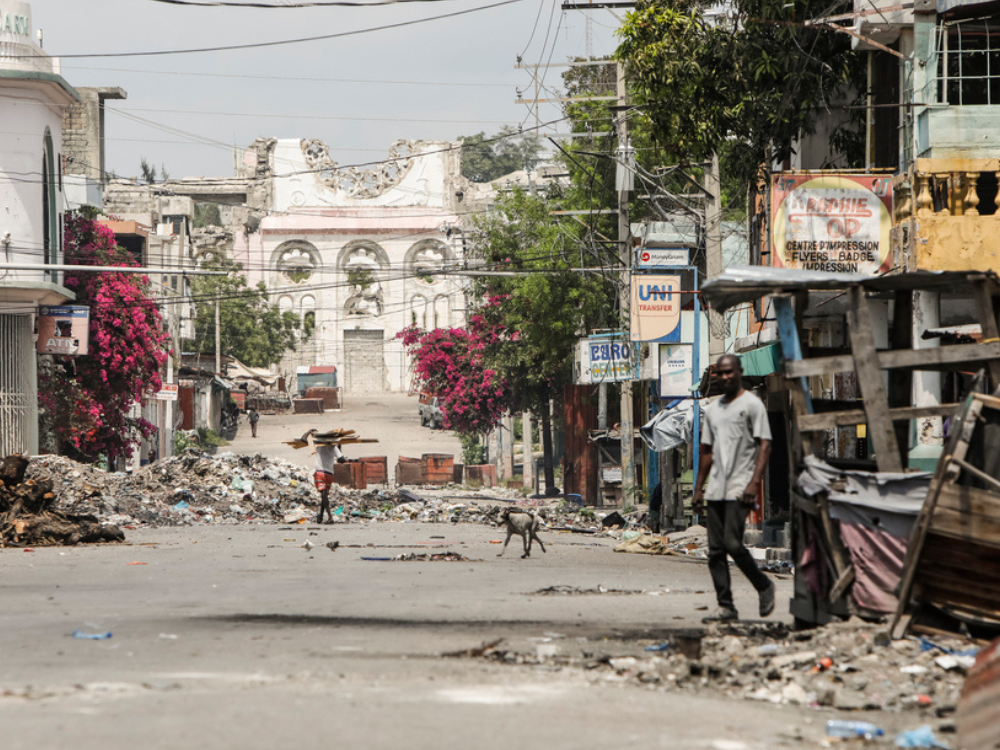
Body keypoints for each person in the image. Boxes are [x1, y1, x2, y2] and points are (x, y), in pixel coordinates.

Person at [693, 354, 776, 622]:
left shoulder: (752, 405)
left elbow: (765, 444)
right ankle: (726, 605)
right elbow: (706, 452)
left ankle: (764, 585)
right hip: (717, 486)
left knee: (732, 542)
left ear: (739, 372)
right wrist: (698, 489)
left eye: (731, 372)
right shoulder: (714, 410)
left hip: (741, 485)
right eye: (721, 373)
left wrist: (755, 483)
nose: (726, 377)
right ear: (716, 375)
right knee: (715, 550)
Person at [314, 441, 346, 523]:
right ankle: (320, 517)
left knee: (324, 495)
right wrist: (339, 448)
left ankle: (330, 517)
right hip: (330, 474)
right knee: (324, 496)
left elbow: (304, 439)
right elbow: (342, 460)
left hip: (320, 472)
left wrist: (308, 432)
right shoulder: (334, 447)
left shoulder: (318, 445)